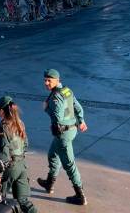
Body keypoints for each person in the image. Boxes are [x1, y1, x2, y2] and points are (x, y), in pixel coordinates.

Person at [36, 69, 88, 205]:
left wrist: (46, 108)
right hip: (71, 129)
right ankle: (49, 183)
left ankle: (80, 195)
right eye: (45, 80)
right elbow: (77, 107)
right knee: (53, 154)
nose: (46, 83)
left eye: (49, 80)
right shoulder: (66, 90)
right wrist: (81, 121)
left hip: (63, 133)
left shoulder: (55, 97)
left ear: (57, 80)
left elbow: (57, 117)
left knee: (69, 164)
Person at [0, 95, 38, 213]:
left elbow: (3, 152)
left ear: (2, 111)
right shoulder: (20, 123)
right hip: (22, 165)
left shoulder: (2, 128)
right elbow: (26, 144)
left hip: (10, 168)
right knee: (23, 200)